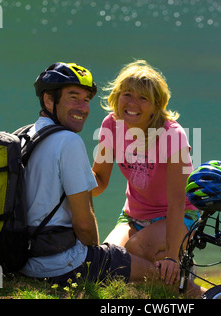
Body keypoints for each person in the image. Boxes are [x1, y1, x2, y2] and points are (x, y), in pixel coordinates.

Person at [19, 62, 159, 287]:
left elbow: (95, 183)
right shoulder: (69, 141)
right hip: (60, 264)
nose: (83, 108)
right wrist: (96, 253)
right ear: (48, 100)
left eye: (86, 100)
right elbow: (84, 225)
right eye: (74, 98)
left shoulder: (27, 135)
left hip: (25, 259)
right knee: (159, 274)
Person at [92, 60, 201, 286]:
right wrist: (67, 181)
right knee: (104, 260)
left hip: (178, 216)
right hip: (133, 216)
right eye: (127, 94)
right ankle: (176, 279)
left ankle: (189, 285)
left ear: (156, 105)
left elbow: (177, 202)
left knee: (134, 251)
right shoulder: (111, 125)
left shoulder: (173, 135)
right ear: (116, 97)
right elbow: (99, 181)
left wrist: (172, 254)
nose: (133, 103)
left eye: (143, 98)